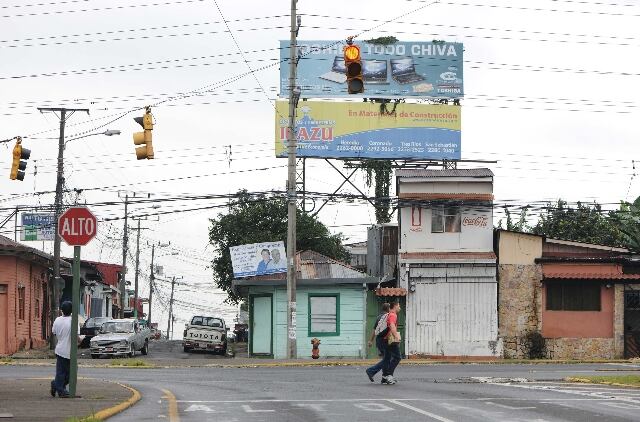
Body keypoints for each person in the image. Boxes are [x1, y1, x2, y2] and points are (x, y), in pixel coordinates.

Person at [50, 301, 80, 398]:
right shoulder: (73, 321)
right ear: (71, 311)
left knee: (61, 373)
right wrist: (81, 340)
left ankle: (57, 385)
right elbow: (76, 338)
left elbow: (54, 332)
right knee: (71, 373)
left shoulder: (57, 320)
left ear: (61, 310)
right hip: (69, 351)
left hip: (60, 349)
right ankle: (60, 389)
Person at [365, 302, 390, 382]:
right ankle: (371, 371)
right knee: (388, 359)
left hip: (379, 340)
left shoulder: (379, 317)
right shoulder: (386, 317)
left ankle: (384, 378)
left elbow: (374, 330)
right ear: (388, 309)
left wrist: (371, 340)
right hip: (384, 341)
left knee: (386, 358)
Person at [381, 301, 402, 385]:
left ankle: (384, 377)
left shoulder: (389, 314)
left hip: (385, 339)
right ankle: (389, 376)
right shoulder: (393, 315)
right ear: (395, 306)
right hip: (390, 340)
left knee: (387, 358)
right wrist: (396, 336)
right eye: (399, 306)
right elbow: (392, 326)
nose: (400, 308)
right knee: (397, 357)